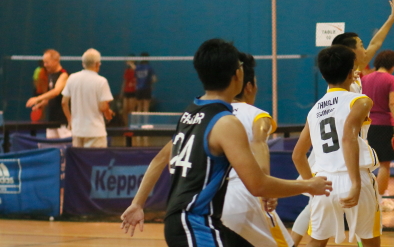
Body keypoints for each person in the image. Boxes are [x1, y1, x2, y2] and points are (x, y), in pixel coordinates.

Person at [120, 38, 332, 246]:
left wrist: (138, 203)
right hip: (195, 224)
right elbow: (258, 184)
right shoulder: (226, 123)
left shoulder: (190, 114)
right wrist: (309, 185)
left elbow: (159, 160)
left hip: (192, 221)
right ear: (238, 74)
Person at [292, 45, 381, 247]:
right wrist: (355, 184)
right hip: (356, 177)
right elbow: (349, 136)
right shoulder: (360, 100)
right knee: (370, 242)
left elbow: (297, 155)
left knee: (316, 241)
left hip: (324, 182)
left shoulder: (313, 110)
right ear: (352, 73)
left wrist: (310, 185)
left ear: (324, 76)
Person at [222, 52, 294, 247]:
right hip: (246, 194)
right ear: (249, 86)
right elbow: (259, 144)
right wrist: (268, 189)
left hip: (212, 201)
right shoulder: (257, 115)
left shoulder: (212, 115)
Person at [330, 0, 394, 93]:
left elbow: (375, 44)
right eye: (361, 46)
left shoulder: (356, 69)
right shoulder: (339, 78)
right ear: (352, 52)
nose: (365, 49)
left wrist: (392, 17)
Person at [361, 49, 394, 212]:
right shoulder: (391, 79)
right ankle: (379, 200)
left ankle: (368, 198)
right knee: (384, 164)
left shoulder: (365, 78)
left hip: (366, 125)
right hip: (384, 125)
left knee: (366, 165)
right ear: (392, 65)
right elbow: (393, 103)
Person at [61, 48, 115, 148]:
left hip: (77, 130)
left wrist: (70, 120)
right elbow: (103, 107)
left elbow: (64, 102)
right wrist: (108, 114)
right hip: (95, 132)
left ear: (83, 64)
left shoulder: (72, 78)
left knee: (79, 162)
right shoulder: (101, 81)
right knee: (95, 162)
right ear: (97, 64)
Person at [26, 49, 71, 138]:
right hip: (52, 120)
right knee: (51, 147)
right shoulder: (50, 75)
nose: (45, 65)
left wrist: (38, 98)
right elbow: (52, 98)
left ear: (55, 61)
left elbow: (56, 91)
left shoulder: (64, 75)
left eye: (47, 62)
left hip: (63, 121)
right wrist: (40, 104)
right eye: (44, 62)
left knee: (65, 149)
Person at [121, 57, 138, 125]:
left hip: (133, 91)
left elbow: (136, 70)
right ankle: (126, 125)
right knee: (125, 110)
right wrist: (122, 92)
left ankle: (132, 124)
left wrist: (131, 64)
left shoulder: (137, 70)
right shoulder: (127, 71)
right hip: (126, 91)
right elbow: (124, 82)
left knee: (132, 109)